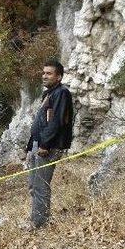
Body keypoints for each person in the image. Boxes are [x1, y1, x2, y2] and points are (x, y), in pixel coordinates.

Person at [25, 60, 74, 229]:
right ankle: (37, 219)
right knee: (33, 184)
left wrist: (45, 145)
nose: (44, 76)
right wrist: (30, 146)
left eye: (49, 73)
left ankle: (39, 224)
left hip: (49, 147)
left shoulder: (61, 93)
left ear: (59, 77)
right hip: (38, 144)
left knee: (40, 185)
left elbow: (56, 122)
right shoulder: (49, 93)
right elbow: (40, 122)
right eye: (43, 73)